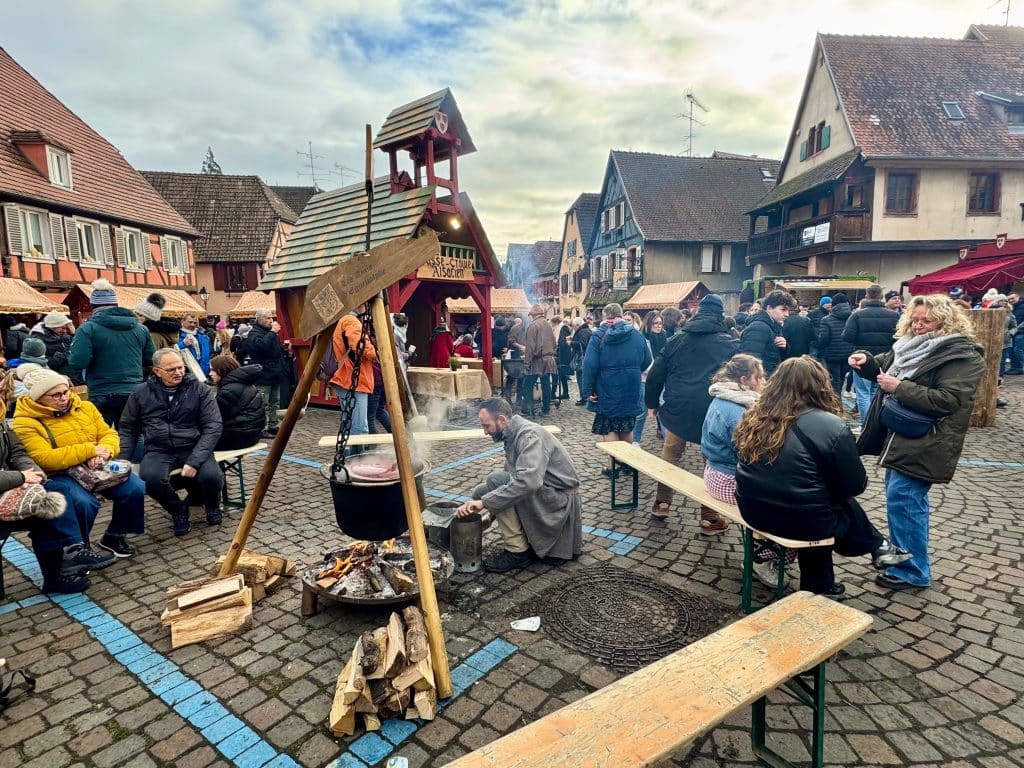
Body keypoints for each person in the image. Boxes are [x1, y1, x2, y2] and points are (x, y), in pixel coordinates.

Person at [734, 356, 910, 598]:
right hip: (802, 521)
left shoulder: (755, 415)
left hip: (752, 508)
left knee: (814, 501)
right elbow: (855, 484)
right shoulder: (830, 425)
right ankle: (873, 548)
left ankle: (838, 576)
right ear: (820, 385)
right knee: (827, 503)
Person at [850, 294, 984, 591]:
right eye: (915, 319)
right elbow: (886, 365)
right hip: (901, 437)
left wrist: (899, 388)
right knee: (901, 502)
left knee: (907, 504)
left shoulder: (962, 354)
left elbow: (949, 400)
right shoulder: (910, 345)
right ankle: (905, 564)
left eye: (927, 320)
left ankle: (913, 571)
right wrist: (867, 362)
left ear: (945, 321)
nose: (919, 325)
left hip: (926, 440)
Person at [13, 368, 147, 560]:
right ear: (39, 397)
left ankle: (114, 535)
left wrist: (105, 451)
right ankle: (79, 548)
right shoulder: (25, 422)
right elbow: (44, 457)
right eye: (55, 395)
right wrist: (90, 450)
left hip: (95, 466)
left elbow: (108, 434)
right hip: (60, 472)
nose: (64, 398)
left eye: (66, 391)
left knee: (136, 487)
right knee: (83, 503)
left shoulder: (85, 407)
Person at [455, 398, 583, 573]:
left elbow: (528, 482)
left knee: (495, 481)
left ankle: (517, 552)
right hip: (546, 493)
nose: (485, 432)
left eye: (487, 426)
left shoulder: (528, 436)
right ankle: (525, 538)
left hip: (558, 500)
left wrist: (485, 504)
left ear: (502, 420)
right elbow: (513, 478)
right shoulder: (512, 433)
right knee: (479, 492)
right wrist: (489, 514)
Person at [645, 294, 738, 524]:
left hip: (679, 407)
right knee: (713, 462)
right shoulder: (730, 344)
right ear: (719, 314)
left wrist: (652, 404)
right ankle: (709, 518)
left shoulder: (676, 341)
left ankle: (662, 502)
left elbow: (655, 374)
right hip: (712, 409)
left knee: (670, 455)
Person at [118, 348, 224, 536]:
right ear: (157, 371)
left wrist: (194, 460)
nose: (178, 373)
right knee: (150, 479)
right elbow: (128, 427)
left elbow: (213, 426)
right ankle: (178, 511)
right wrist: (124, 457)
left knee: (212, 477)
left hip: (193, 445)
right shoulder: (140, 393)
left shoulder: (200, 389)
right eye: (171, 370)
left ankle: (213, 505)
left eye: (180, 367)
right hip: (159, 449)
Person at [68, 278, 155, 429]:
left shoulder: (87, 329)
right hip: (133, 389)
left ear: (93, 305)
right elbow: (150, 359)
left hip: (101, 390)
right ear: (116, 304)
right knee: (132, 435)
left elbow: (77, 362)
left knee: (102, 436)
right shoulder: (140, 328)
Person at [582, 303, 652, 476]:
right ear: (621, 315)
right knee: (627, 427)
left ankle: (612, 467)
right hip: (631, 385)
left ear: (606, 317)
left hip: (607, 386)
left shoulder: (598, 335)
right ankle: (627, 463)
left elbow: (589, 365)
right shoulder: (636, 334)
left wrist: (587, 390)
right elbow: (647, 360)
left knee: (609, 427)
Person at [842, 284, 899, 423]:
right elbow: (899, 337)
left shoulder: (857, 315)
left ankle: (866, 425)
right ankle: (873, 424)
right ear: (881, 297)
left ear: (866, 296)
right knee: (875, 393)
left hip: (861, 359)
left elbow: (847, 336)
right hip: (885, 359)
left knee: (862, 394)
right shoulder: (895, 315)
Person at [330, 304, 377, 438]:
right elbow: (362, 348)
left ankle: (348, 456)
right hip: (353, 380)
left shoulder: (343, 320)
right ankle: (357, 458)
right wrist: (376, 352)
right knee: (359, 427)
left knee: (348, 423)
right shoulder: (351, 321)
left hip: (346, 378)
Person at [241, 308, 284, 437]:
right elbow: (261, 347)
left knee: (274, 402)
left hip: (274, 373)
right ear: (259, 319)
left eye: (272, 318)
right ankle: (262, 428)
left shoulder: (269, 333)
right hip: (263, 374)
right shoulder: (254, 333)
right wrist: (272, 333)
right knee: (262, 403)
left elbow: (273, 349)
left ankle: (273, 425)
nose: (271, 321)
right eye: (268, 318)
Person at [209, 354, 265, 451]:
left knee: (191, 442)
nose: (210, 373)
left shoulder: (229, 389)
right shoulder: (242, 384)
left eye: (213, 370)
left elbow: (212, 416)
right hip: (251, 434)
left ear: (222, 370)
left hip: (240, 436)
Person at [737, 290, 795, 376]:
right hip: (760, 382)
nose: (787, 314)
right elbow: (748, 362)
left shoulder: (773, 326)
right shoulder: (759, 327)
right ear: (769, 308)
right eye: (783, 310)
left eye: (788, 311)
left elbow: (771, 356)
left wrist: (784, 347)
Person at [816, 292, 856, 395]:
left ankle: (836, 406)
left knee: (834, 382)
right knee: (842, 379)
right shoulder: (853, 317)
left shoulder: (826, 320)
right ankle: (838, 402)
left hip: (832, 355)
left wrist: (821, 347)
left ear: (834, 304)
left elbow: (823, 339)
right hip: (848, 354)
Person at [522, 305, 557, 416]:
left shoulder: (533, 325)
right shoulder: (548, 324)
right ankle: (545, 410)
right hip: (548, 358)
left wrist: (527, 362)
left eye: (531, 315)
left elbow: (530, 347)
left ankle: (528, 409)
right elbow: (554, 343)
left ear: (534, 315)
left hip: (537, 360)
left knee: (527, 385)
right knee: (546, 385)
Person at [29, 311, 80, 383]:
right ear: (53, 326)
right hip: (56, 380)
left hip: (74, 377)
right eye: (62, 328)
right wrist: (65, 355)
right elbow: (41, 362)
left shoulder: (64, 336)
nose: (65, 331)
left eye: (66, 328)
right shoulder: (37, 340)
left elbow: (77, 347)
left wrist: (73, 333)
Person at [570, 317, 592, 405]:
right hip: (586, 357)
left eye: (574, 326)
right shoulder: (586, 330)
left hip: (582, 358)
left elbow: (581, 344)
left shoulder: (583, 331)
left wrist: (571, 343)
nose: (573, 328)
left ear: (578, 325)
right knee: (583, 378)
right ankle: (585, 397)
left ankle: (584, 398)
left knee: (581, 378)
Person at [555, 317, 573, 402]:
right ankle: (565, 393)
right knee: (562, 375)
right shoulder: (563, 328)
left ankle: (565, 393)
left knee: (561, 374)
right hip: (563, 355)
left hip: (563, 356)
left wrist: (557, 348)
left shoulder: (563, 329)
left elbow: (562, 343)